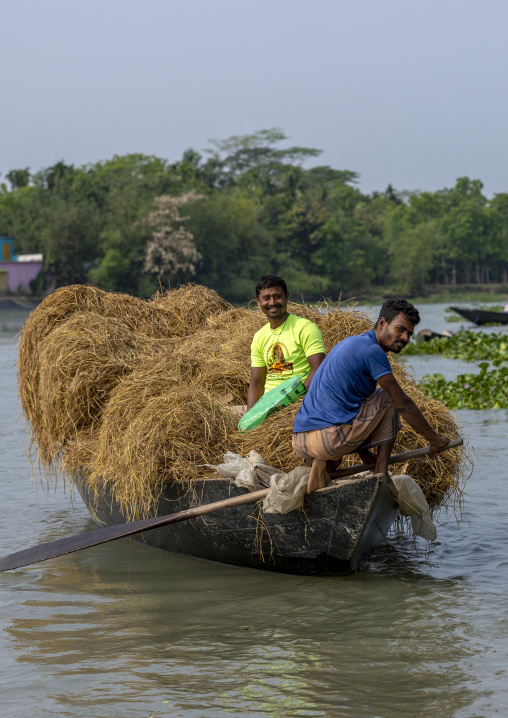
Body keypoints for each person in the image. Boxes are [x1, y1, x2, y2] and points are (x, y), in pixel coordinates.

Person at [292, 297, 450, 494]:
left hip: (300, 441)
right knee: (388, 398)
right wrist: (434, 439)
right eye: (400, 329)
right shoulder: (373, 351)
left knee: (371, 400)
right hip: (326, 441)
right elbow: (403, 405)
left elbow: (353, 408)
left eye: (409, 333)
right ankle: (381, 472)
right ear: (382, 323)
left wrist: (364, 453)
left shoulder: (350, 342)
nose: (405, 338)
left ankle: (366, 459)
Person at [240, 275, 325, 413]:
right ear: (258, 301)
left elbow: (319, 368)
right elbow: (257, 382)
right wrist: (251, 417)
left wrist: (295, 402)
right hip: (269, 407)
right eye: (266, 298)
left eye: (277, 296)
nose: (272, 302)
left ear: (286, 296)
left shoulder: (305, 328)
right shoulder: (259, 337)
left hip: (300, 403)